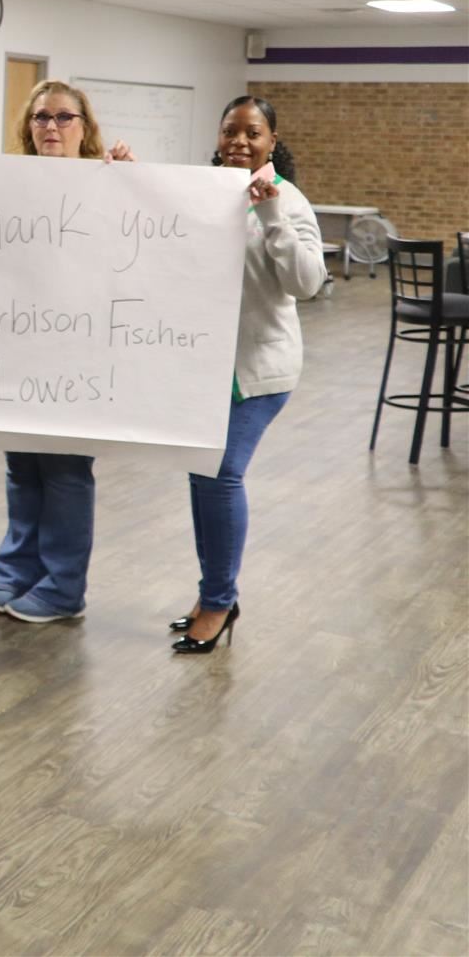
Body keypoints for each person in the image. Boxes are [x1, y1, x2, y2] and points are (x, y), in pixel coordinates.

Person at [172, 95, 323, 654]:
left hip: (259, 370)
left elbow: (306, 284)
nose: (239, 141)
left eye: (252, 133)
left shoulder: (291, 201)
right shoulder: (201, 193)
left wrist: (272, 214)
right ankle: (212, 593)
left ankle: (218, 602)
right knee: (200, 476)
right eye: (230, 130)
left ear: (271, 141)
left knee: (220, 475)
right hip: (205, 364)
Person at [0, 81, 135, 624]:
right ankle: (17, 576)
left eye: (64, 118)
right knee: (21, 467)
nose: (51, 127)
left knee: (65, 471)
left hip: (79, 354)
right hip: (21, 347)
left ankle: (62, 589)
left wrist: (132, 179)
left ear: (84, 125)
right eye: (40, 117)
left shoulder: (109, 183)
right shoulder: (9, 184)